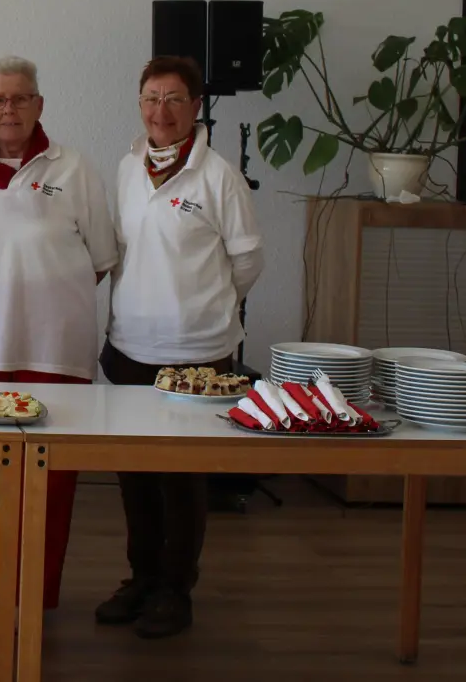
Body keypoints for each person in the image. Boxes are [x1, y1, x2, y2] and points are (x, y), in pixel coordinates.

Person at [95, 55, 264, 638]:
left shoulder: (220, 177)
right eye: (149, 97)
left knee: (183, 477)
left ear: (195, 107)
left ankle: (175, 589)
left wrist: (201, 307)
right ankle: (141, 579)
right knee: (134, 474)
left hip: (197, 354)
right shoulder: (126, 168)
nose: (159, 111)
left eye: (173, 99)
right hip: (129, 346)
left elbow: (246, 262)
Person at [0, 55, 117, 613]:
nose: (10, 108)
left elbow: (100, 257)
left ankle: (37, 600)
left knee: (51, 485)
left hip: (55, 352)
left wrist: (44, 294)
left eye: (20, 98)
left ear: (40, 104)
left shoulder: (74, 168)